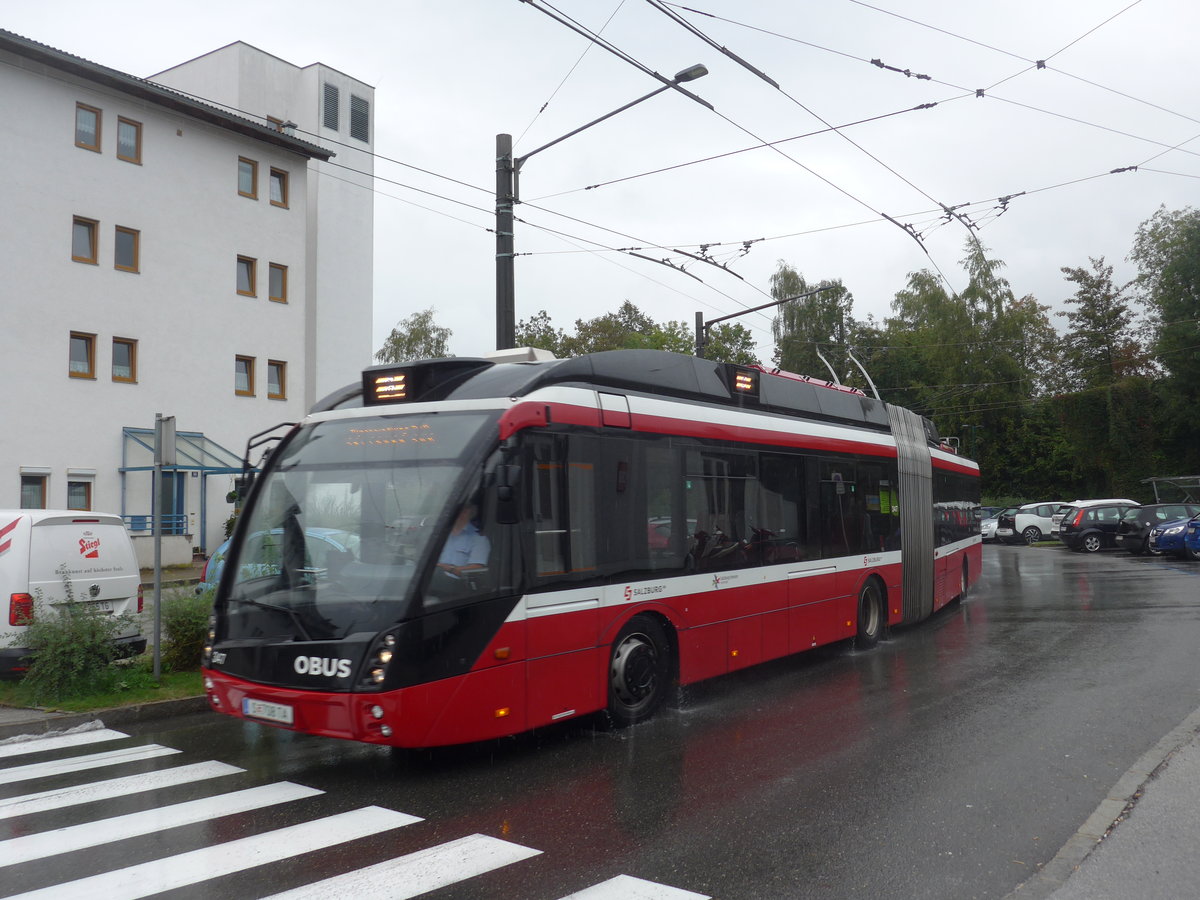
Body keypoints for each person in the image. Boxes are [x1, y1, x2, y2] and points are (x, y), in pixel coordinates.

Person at [437, 502, 490, 579]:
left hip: (456, 585)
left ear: (471, 512)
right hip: (430, 582)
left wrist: (449, 569)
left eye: (464, 510)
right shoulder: (439, 534)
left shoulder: (479, 539)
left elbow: (476, 570)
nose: (459, 513)